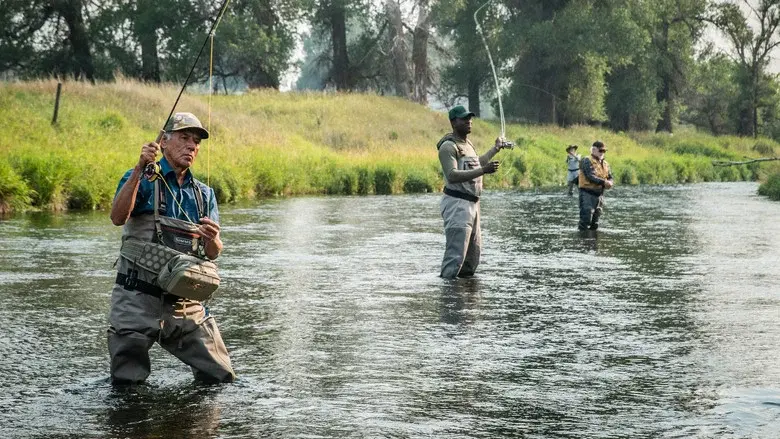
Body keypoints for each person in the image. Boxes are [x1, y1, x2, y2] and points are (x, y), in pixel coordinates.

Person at [107, 112, 235, 385]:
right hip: (135, 299)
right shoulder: (140, 178)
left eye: (196, 142)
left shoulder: (204, 194)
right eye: (184, 138)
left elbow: (213, 252)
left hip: (184, 304)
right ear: (163, 142)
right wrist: (140, 168)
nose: (192, 146)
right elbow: (117, 218)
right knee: (126, 385)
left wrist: (212, 238)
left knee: (220, 376)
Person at [437, 105, 510, 278]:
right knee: (455, 258)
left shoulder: (468, 144)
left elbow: (477, 163)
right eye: (464, 119)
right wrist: (484, 171)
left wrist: (495, 148)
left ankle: (466, 293)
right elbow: (452, 175)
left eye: (470, 118)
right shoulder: (448, 147)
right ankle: (448, 292)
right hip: (457, 205)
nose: (469, 121)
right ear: (453, 122)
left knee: (472, 258)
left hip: (473, 205)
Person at [578, 140, 614, 231]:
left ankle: (593, 240)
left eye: (604, 151)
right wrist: (604, 182)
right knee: (586, 221)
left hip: (599, 196)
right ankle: (582, 239)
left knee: (595, 224)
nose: (602, 153)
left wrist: (610, 182)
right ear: (593, 150)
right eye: (600, 150)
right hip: (587, 194)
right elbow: (590, 176)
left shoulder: (606, 164)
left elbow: (610, 177)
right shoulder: (586, 160)